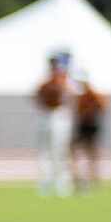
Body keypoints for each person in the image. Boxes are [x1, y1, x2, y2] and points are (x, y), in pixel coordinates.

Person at [35, 52, 77, 196]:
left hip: (59, 115)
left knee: (60, 151)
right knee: (46, 151)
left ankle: (62, 184)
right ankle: (46, 183)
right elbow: (39, 98)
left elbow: (69, 97)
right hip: (48, 115)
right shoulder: (47, 82)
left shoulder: (63, 80)